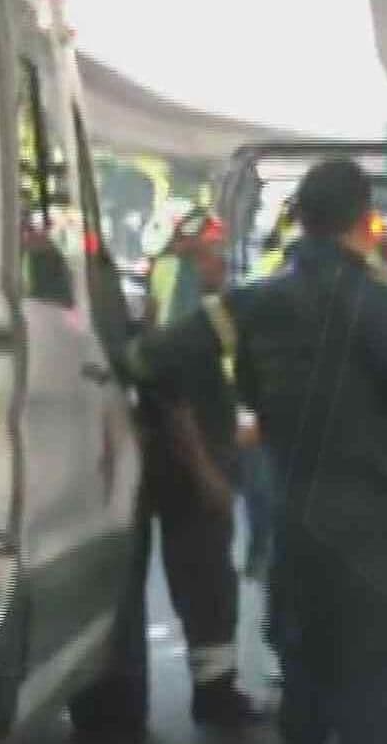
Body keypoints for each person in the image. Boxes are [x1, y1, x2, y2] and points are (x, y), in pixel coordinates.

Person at [213, 157, 387, 744]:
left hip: (293, 520)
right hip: (375, 526)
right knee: (372, 692)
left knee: (304, 684)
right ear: (365, 220)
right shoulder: (383, 297)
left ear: (301, 219)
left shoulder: (261, 299)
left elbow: (248, 387)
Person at [135, 207, 268, 726]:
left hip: (188, 460)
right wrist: (208, 472)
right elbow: (175, 397)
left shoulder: (179, 293)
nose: (222, 262)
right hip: (189, 469)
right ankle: (215, 696)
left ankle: (215, 689)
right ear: (190, 250)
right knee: (207, 583)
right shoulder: (183, 299)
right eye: (213, 251)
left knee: (206, 581)